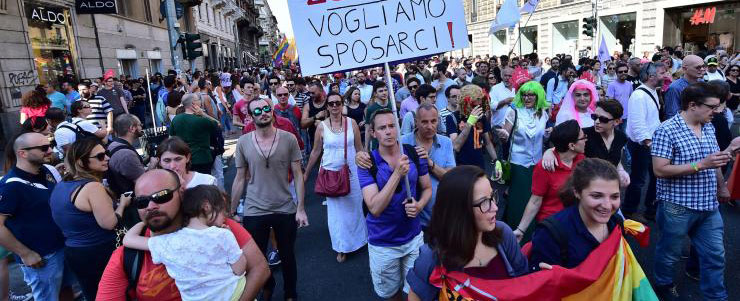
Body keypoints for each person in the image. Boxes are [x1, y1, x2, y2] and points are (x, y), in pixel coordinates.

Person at [96, 169, 270, 301]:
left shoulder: (217, 227)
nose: (150, 206)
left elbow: (260, 269)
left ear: (181, 193)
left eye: (161, 196)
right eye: (142, 201)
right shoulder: (127, 256)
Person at [651, 82, 730, 301]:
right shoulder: (666, 130)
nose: (717, 111)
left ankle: (716, 297)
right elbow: (659, 169)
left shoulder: (709, 126)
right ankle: (663, 285)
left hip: (708, 205)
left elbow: (713, 161)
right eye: (712, 107)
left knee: (715, 256)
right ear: (693, 105)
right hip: (677, 206)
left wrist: (722, 186)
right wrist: (700, 165)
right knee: (670, 255)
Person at [406, 166, 528, 300]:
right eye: (484, 202)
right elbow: (415, 296)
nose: (495, 207)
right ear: (459, 212)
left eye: (492, 197)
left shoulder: (503, 234)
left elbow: (524, 283)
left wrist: (542, 276)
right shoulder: (432, 258)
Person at [230, 98, 306, 301]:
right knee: (257, 258)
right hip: (255, 209)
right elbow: (239, 178)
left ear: (271, 111)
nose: (262, 113)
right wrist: (230, 212)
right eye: (257, 111)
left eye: (265, 109)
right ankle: (268, 284)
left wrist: (301, 208)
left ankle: (290, 293)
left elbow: (298, 174)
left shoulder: (288, 138)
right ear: (251, 116)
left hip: (284, 207)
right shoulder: (243, 142)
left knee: (288, 255)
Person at [123, 185, 248, 301]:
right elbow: (239, 269)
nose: (225, 217)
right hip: (234, 294)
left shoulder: (166, 242)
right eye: (223, 211)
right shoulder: (223, 234)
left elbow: (128, 239)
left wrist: (146, 221)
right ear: (207, 206)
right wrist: (231, 235)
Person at [357, 108, 433, 301]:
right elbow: (374, 207)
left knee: (415, 292)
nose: (389, 131)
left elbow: (427, 189)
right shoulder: (367, 163)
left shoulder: (414, 154)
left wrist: (420, 205)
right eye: (382, 128)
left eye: (392, 126)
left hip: (413, 238)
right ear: (373, 133)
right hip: (383, 243)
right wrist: (397, 173)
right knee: (392, 295)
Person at [49, 138, 131, 300]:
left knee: (92, 294)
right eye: (100, 156)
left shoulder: (61, 185)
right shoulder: (93, 187)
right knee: (113, 294)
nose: (107, 158)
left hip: (75, 252)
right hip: (99, 251)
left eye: (106, 153)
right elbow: (109, 223)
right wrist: (122, 205)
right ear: (81, 162)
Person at [0, 133, 71, 301]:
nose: (50, 150)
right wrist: (25, 253)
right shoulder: (10, 186)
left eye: (50, 145)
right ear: (22, 153)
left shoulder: (47, 171)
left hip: (63, 246)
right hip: (42, 258)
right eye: (43, 148)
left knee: (67, 292)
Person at [304, 92, 368, 263]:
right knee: (337, 213)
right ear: (327, 106)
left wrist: (368, 168)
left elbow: (359, 148)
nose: (334, 106)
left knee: (355, 207)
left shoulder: (351, 123)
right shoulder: (321, 127)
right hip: (330, 174)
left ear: (342, 104)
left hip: (352, 172)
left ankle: (359, 241)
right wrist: (305, 174)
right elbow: (316, 151)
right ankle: (342, 247)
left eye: (337, 103)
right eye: (331, 104)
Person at [528, 158, 625, 269]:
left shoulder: (616, 223)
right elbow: (538, 281)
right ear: (577, 192)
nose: (607, 206)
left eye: (614, 197)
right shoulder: (551, 233)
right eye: (597, 196)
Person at [513, 120, 586, 242]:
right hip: (552, 226)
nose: (586, 140)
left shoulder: (581, 160)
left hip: (576, 222)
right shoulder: (544, 167)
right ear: (572, 146)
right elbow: (535, 201)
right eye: (583, 138)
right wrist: (521, 230)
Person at [499, 82, 550, 239]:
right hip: (518, 163)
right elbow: (506, 133)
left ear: (537, 96)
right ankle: (515, 234)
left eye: (531, 95)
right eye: (524, 95)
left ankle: (534, 233)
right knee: (519, 200)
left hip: (538, 163)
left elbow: (543, 138)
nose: (527, 98)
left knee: (536, 198)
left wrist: (548, 134)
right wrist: (504, 135)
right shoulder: (513, 111)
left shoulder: (543, 112)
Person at [623, 62, 668, 222]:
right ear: (651, 76)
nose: (666, 76)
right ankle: (629, 211)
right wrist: (649, 144)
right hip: (642, 145)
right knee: (638, 180)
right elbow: (637, 124)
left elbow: (651, 120)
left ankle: (651, 210)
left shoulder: (652, 91)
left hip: (650, 143)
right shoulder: (639, 95)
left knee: (655, 177)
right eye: (662, 73)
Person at [398, 103, 456, 229]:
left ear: (438, 121)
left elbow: (450, 178)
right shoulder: (402, 142)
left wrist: (430, 163)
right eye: (424, 122)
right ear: (415, 122)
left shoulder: (446, 142)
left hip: (441, 216)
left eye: (433, 121)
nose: (430, 126)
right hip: (411, 217)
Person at [446, 84, 496, 169]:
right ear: (464, 103)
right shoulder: (452, 118)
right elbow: (456, 146)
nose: (477, 108)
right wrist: (469, 123)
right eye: (474, 105)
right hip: (462, 167)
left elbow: (488, 143)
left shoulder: (481, 117)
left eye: (479, 105)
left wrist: (496, 161)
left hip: (480, 166)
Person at [169, 93, 220, 174]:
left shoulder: (176, 119)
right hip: (203, 158)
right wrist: (203, 114)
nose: (200, 101)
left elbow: (171, 139)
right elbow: (218, 124)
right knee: (203, 184)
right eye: (198, 100)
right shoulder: (202, 119)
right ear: (193, 103)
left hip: (184, 159)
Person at [664, 55, 706, 119]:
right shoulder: (675, 88)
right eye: (698, 67)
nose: (702, 69)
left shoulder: (703, 84)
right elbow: (672, 114)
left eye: (703, 66)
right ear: (685, 69)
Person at [363, 81, 392, 151]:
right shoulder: (371, 109)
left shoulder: (392, 105)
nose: (384, 93)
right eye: (381, 91)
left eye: (385, 90)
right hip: (377, 144)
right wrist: (366, 147)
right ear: (375, 94)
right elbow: (368, 129)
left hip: (392, 141)